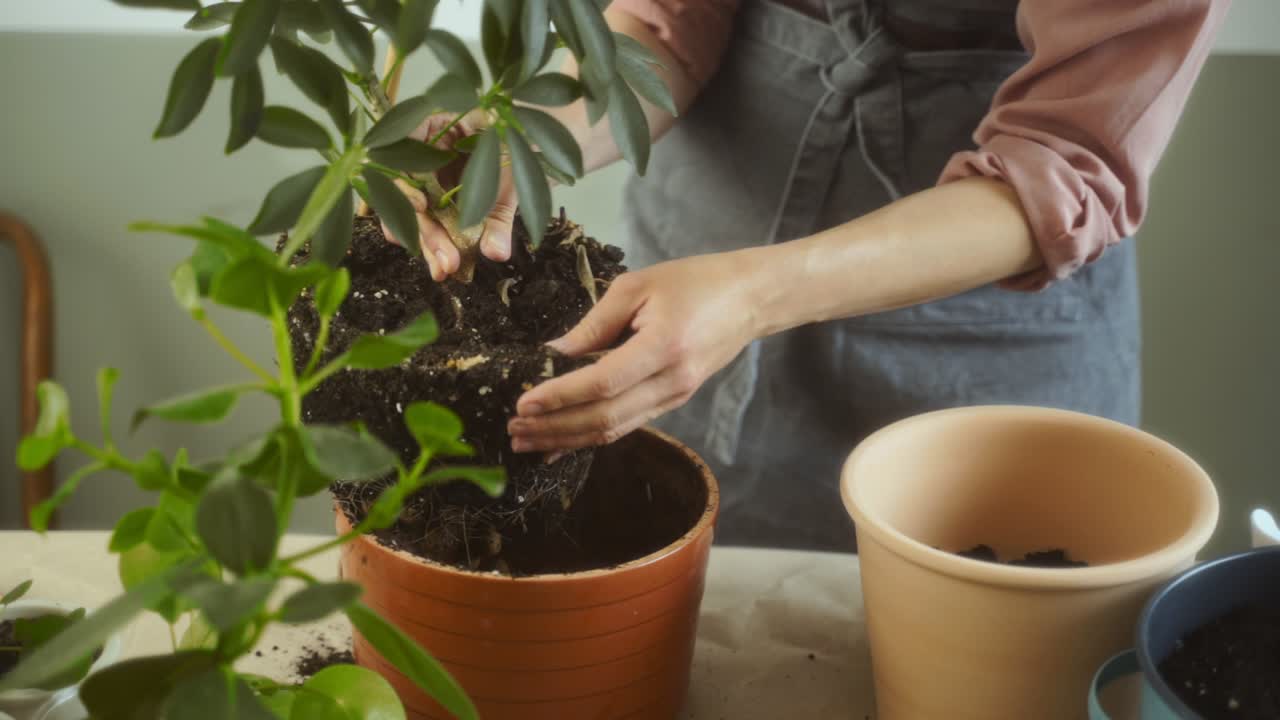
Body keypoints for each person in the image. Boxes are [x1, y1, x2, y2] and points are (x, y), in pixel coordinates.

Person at [395, 0, 1229, 551]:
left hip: (981, 347)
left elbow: (1060, 158)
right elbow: (669, 22)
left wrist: (753, 295)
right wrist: (526, 139)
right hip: (692, 267)